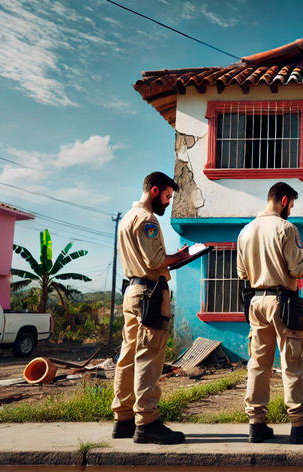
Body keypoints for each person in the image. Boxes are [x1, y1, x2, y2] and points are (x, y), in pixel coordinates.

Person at [236, 182, 303, 445]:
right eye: (292, 204)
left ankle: (256, 424)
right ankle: (300, 424)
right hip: (283, 302)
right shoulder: (286, 228)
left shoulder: (245, 231)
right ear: (285, 200)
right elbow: (298, 269)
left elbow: (242, 273)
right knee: (293, 362)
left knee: (257, 363)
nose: (291, 209)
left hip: (255, 301)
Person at [111, 172, 192, 444]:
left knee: (128, 356)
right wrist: (180, 256)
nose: (168, 202)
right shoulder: (147, 219)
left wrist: (171, 259)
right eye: (168, 196)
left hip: (133, 290)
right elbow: (155, 259)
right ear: (155, 190)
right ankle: (147, 422)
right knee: (150, 355)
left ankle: (123, 420)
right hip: (150, 293)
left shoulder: (126, 219)